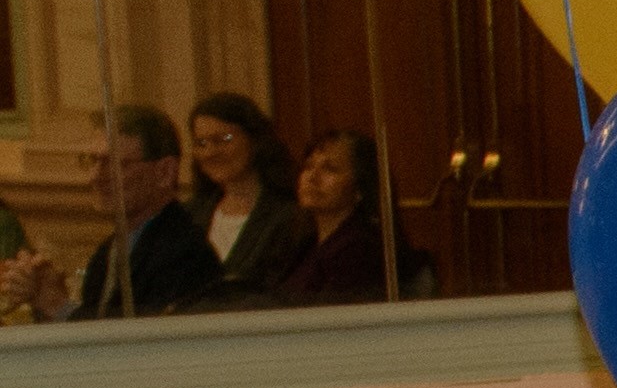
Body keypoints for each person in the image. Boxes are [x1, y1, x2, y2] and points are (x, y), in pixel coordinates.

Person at [70, 107, 213, 319]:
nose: (96, 177)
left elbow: (140, 340)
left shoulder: (183, 254)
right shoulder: (109, 251)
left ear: (165, 172)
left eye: (115, 164)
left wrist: (58, 306)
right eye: (92, 161)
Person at [268, 130, 429, 305]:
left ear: (360, 188)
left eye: (330, 169)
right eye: (308, 166)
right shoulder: (304, 243)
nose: (312, 177)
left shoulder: (360, 250)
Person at [182, 91, 308, 301]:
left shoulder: (290, 216)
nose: (211, 152)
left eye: (224, 139)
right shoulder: (188, 215)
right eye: (201, 144)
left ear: (255, 139)